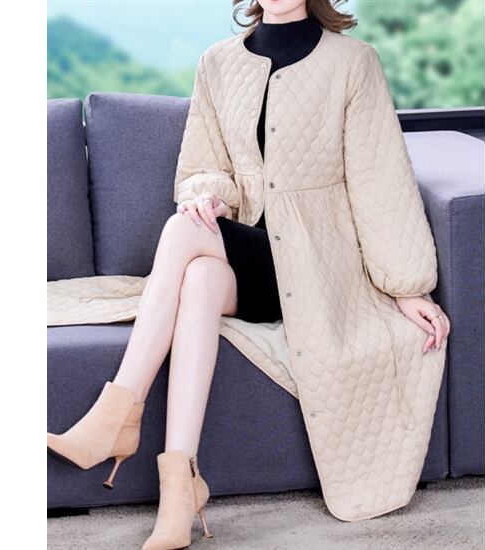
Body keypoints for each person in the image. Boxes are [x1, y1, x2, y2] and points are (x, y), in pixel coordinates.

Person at [47, 1, 451, 548]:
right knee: (198, 275)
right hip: (253, 260)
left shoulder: (353, 63)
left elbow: (380, 178)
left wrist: (408, 286)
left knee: (180, 233)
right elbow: (201, 166)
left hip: (317, 267)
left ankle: (116, 415)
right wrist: (210, 198)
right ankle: (180, 484)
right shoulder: (217, 62)